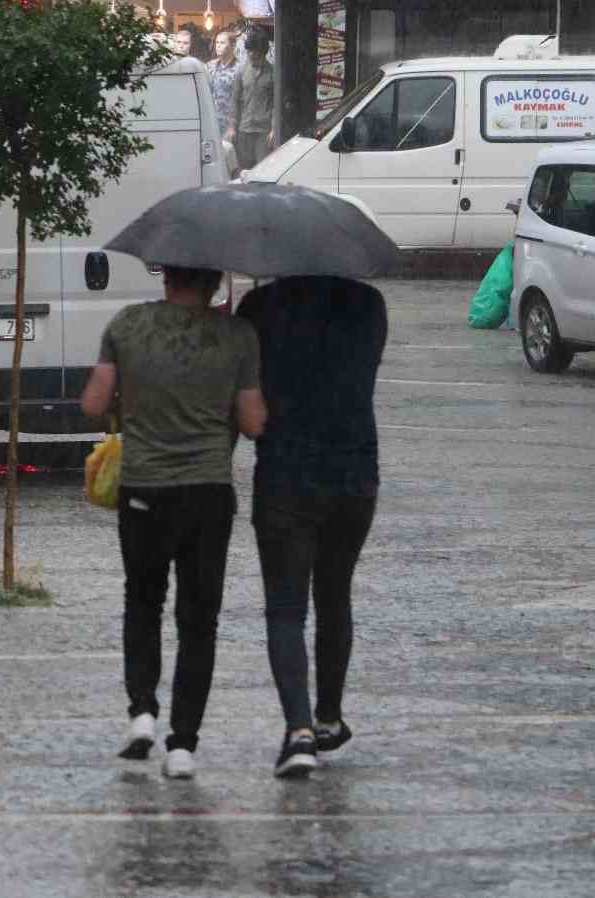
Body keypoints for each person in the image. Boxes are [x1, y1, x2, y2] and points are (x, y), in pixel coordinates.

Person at [80, 267, 267, 781]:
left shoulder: (127, 325)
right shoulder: (237, 335)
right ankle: (183, 744)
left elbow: (94, 403)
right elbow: (253, 424)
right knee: (198, 618)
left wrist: (130, 403)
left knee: (142, 600)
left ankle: (142, 712)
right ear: (214, 282)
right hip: (208, 493)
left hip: (143, 490)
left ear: (166, 276)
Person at [235, 276, 387, 779]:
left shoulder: (259, 307)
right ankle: (328, 716)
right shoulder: (369, 304)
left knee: (285, 607)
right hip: (354, 475)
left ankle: (298, 731)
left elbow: (244, 395)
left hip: (285, 476)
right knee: (335, 594)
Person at [228, 29, 275, 172]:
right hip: (244, 129)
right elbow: (234, 100)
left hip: (264, 132)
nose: (252, 55)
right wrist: (232, 127)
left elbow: (275, 104)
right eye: (249, 51)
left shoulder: (273, 72)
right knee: (244, 171)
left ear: (264, 53)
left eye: (256, 52)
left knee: (263, 171)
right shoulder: (241, 71)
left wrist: (274, 128)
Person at [205, 30, 241, 142]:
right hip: (212, 122)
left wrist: (232, 126)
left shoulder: (240, 68)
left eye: (222, 43)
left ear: (232, 45)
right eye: (217, 43)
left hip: (231, 125)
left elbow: (241, 100)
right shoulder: (209, 67)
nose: (218, 46)